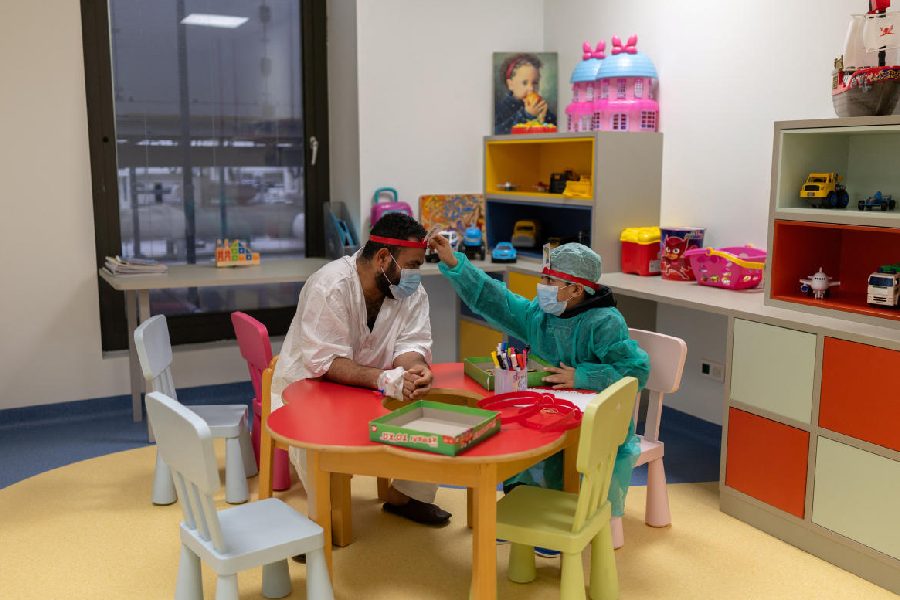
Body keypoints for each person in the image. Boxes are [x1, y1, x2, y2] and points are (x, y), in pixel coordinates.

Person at [430, 236, 649, 554]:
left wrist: (582, 375)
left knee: (566, 455)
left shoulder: (604, 322)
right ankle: (522, 507)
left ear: (576, 289)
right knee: (519, 434)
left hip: (593, 416)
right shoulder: (543, 315)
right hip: (550, 404)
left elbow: (636, 370)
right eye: (543, 277)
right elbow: (498, 301)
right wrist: (454, 262)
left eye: (549, 280)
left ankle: (559, 518)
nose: (541, 286)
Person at [272, 213, 453, 529]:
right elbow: (325, 362)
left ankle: (408, 495)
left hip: (375, 385)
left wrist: (414, 370)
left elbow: (411, 343)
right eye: (411, 265)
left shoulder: (408, 292)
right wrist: (382, 379)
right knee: (313, 428)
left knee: (431, 406)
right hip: (309, 384)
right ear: (383, 257)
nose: (415, 275)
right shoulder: (330, 286)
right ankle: (322, 515)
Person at [494, 53, 558, 135]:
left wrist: (543, 117)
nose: (531, 88)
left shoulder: (538, 105)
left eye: (535, 83)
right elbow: (499, 132)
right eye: (524, 83)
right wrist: (526, 115)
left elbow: (555, 130)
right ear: (510, 84)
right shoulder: (502, 108)